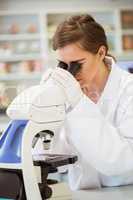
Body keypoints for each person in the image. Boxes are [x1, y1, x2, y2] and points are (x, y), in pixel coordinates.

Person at [40, 14, 133, 190]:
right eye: (64, 64)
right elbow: (54, 156)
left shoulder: (129, 91)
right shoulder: (68, 91)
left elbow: (122, 161)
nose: (71, 73)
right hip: (82, 192)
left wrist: (80, 104)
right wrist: (47, 105)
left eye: (77, 63)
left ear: (101, 52)